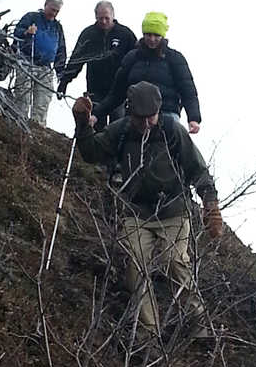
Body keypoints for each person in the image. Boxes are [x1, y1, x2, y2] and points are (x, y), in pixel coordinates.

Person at [73, 81, 223, 345]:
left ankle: (198, 325)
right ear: (131, 113)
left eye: (151, 117)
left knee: (175, 262)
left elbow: (197, 169)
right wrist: (83, 123)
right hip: (136, 211)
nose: (147, 124)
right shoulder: (120, 131)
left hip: (173, 210)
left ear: (158, 111)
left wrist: (211, 207)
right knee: (135, 266)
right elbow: (91, 153)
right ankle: (148, 333)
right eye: (141, 118)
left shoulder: (173, 132)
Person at [90, 11, 202, 134]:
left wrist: (193, 118)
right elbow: (117, 93)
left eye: (156, 35)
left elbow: (188, 90)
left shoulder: (175, 58)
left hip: (167, 115)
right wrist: (97, 114)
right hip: (135, 117)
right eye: (148, 35)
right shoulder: (132, 58)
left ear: (162, 35)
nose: (152, 39)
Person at [57, 1, 137, 128]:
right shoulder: (89, 34)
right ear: (95, 17)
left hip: (118, 90)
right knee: (96, 126)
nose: (104, 21)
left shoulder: (125, 34)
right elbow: (76, 60)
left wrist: (134, 87)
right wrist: (64, 81)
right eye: (101, 18)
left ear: (113, 15)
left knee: (117, 126)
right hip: (95, 89)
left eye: (107, 18)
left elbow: (136, 62)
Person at [11, 0, 67, 126]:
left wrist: (61, 73)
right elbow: (17, 32)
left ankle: (38, 131)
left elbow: (61, 50)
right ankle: (19, 126)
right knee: (22, 98)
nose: (54, 13)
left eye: (57, 11)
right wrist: (27, 32)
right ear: (45, 5)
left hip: (46, 67)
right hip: (27, 61)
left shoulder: (57, 27)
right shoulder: (32, 17)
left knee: (42, 103)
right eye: (52, 9)